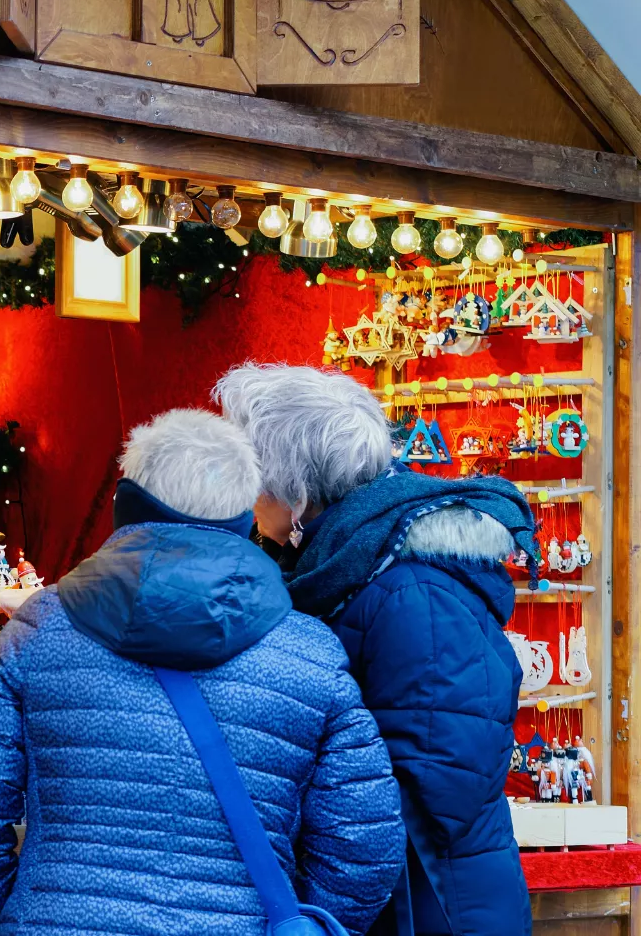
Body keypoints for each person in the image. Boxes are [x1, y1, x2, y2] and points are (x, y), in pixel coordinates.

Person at [0, 409, 403, 936]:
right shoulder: (310, 652)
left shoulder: (38, 631)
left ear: (125, 503)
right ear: (245, 515)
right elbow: (365, 843)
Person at [215, 363, 536, 936]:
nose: (243, 493)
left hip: (429, 904)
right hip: (394, 894)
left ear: (295, 485)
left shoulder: (412, 589)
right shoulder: (347, 564)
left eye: (250, 472)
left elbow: (440, 778)